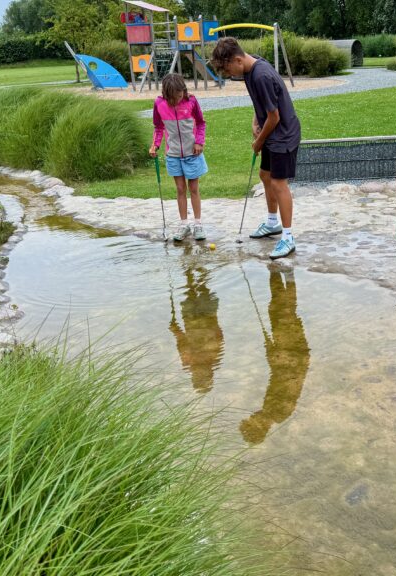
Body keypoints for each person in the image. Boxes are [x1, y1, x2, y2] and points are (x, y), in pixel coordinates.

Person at [211, 37, 301, 259]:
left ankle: (288, 237)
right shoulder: (252, 67)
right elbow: (263, 104)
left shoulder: (260, 75)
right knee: (264, 175)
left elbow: (275, 116)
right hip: (272, 133)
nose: (229, 74)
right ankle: (272, 223)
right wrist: (255, 122)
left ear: (238, 59)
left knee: (279, 183)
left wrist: (259, 140)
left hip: (283, 135)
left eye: (228, 69)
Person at [238, 266, 310, 444]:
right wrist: (275, 356)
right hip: (294, 353)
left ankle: (277, 272)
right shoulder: (279, 412)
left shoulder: (271, 410)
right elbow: (293, 378)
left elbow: (280, 378)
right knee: (286, 312)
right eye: (251, 420)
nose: (252, 414)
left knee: (276, 310)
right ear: (260, 426)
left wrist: (273, 354)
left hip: (287, 353)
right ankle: (286, 273)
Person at [149, 73, 208, 242]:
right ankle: (184, 225)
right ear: (166, 95)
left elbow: (201, 123)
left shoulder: (191, 101)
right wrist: (155, 145)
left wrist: (199, 142)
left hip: (192, 153)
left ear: (183, 91)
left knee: (194, 189)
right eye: (173, 98)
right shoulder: (159, 104)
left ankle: (198, 224)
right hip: (173, 154)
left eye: (179, 96)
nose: (177, 100)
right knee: (180, 189)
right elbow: (158, 127)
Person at [168, 247, 224, 393]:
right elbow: (219, 336)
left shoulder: (189, 362)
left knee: (192, 291)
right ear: (210, 374)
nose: (199, 374)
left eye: (198, 377)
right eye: (203, 377)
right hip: (204, 318)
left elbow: (182, 342)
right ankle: (195, 268)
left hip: (194, 320)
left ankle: (192, 268)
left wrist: (176, 330)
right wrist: (175, 330)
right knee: (197, 290)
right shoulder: (214, 359)